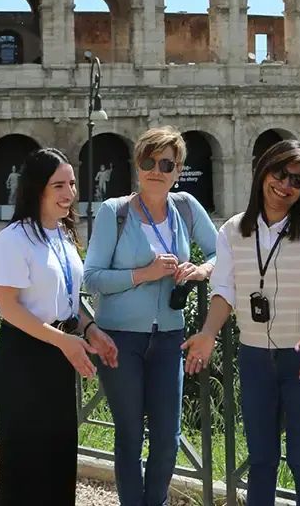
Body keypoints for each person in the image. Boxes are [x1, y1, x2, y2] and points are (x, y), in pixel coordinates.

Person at [183, 139, 300, 505]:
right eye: (279, 173)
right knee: (261, 460)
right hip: (255, 355)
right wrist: (207, 333)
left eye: (298, 180)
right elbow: (223, 289)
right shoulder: (233, 230)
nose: (286, 185)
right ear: (263, 171)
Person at [83, 126, 218, 506]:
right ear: (136, 165)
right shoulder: (116, 212)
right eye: (148, 161)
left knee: (167, 437)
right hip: (120, 339)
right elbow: (91, 279)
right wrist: (145, 273)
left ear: (178, 171)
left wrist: (202, 270)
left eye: (166, 163)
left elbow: (222, 252)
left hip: (169, 337)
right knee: (129, 435)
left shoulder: (187, 207)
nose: (156, 170)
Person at [0, 148, 118, 505]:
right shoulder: (12, 239)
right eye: (58, 185)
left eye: (72, 184)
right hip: (25, 354)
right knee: (25, 458)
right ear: (37, 189)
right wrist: (62, 340)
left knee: (59, 451)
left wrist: (91, 330)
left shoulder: (64, 235)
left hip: (61, 351)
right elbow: (8, 307)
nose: (69, 193)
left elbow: (69, 300)